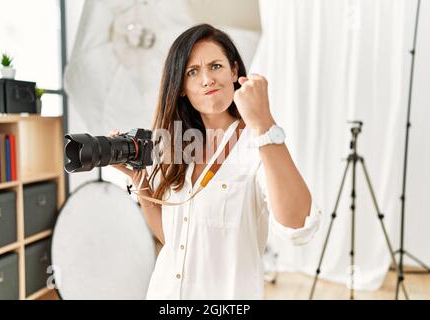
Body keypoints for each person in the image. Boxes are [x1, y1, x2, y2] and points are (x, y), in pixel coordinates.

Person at [109, 24, 321, 299]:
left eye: (216, 66)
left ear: (234, 71)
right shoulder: (175, 147)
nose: (207, 79)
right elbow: (175, 241)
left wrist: (265, 124)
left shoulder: (257, 144)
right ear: (182, 87)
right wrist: (140, 183)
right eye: (192, 72)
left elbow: (298, 227)